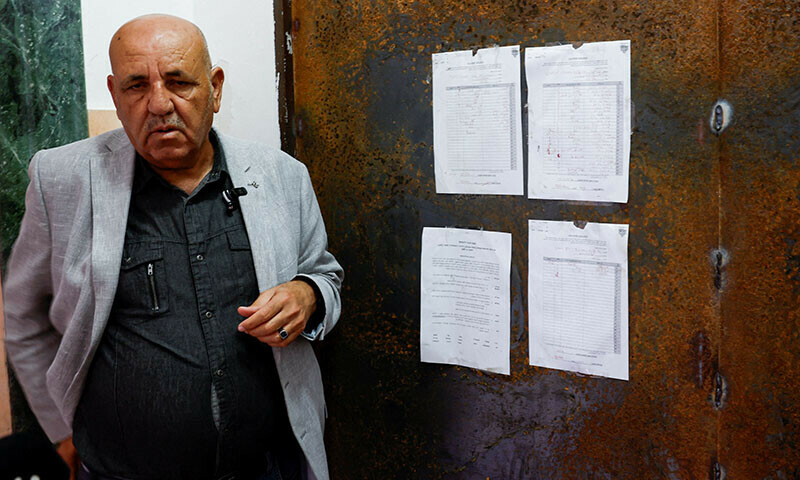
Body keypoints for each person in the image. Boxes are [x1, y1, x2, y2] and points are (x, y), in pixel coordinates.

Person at [3, 14, 343, 480]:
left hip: (263, 468)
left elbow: (325, 275)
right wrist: (61, 431)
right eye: (136, 85)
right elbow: (24, 313)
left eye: (179, 82)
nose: (159, 104)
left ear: (215, 88)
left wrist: (308, 294)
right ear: (115, 96)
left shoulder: (282, 175)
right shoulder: (60, 179)